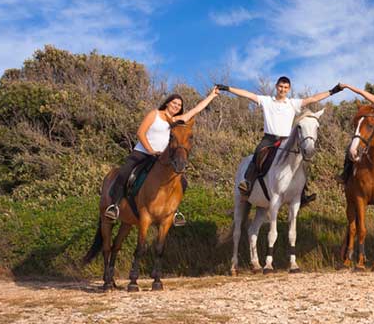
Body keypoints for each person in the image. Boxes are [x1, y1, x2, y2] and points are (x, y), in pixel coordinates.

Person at [105, 88, 219, 223]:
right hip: (143, 152)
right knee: (125, 172)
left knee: (183, 181)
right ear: (167, 103)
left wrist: (212, 95)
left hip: (161, 158)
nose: (176, 106)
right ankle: (114, 205)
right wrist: (150, 150)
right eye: (174, 103)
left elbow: (196, 110)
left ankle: (174, 211)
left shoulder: (176, 121)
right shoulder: (155, 114)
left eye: (179, 105)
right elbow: (140, 133)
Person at [220, 77, 341, 204]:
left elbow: (313, 99)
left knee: (302, 161)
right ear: (276, 86)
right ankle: (248, 183)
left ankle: (302, 193)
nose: (283, 89)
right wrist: (228, 89)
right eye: (281, 87)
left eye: (285, 87)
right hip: (269, 139)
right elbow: (248, 95)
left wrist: (333, 91)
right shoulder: (266, 101)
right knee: (258, 153)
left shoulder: (292, 103)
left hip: (287, 141)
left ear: (289, 89)